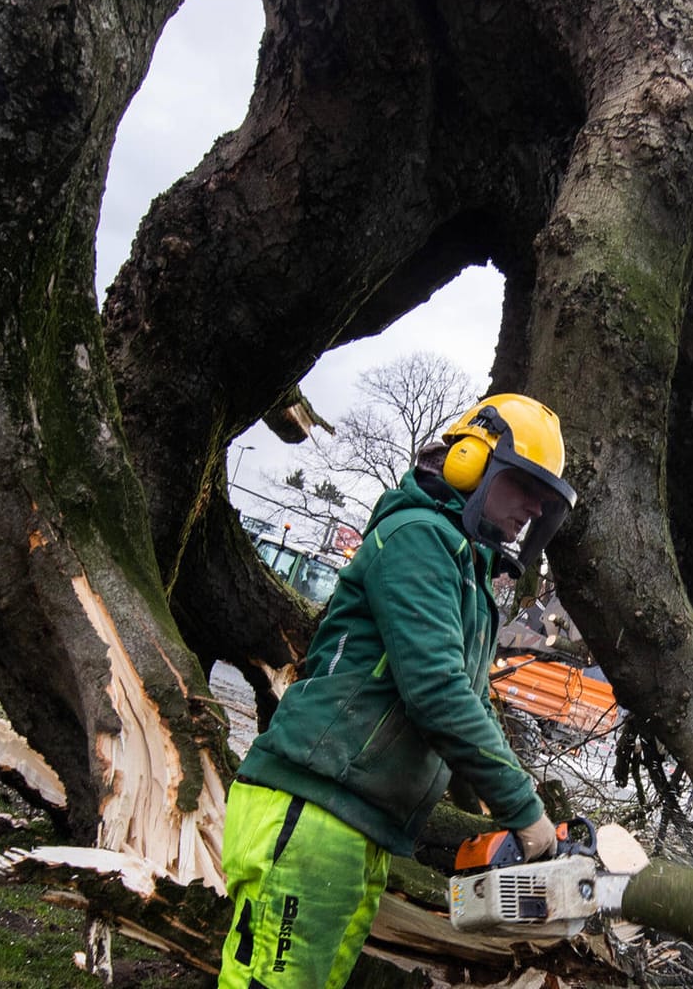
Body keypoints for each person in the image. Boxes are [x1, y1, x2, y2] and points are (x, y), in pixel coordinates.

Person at [217, 393, 577, 989]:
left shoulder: (468, 568)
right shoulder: (417, 538)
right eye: (522, 488)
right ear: (470, 460)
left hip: (362, 824)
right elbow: (436, 692)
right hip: (314, 810)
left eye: (543, 502)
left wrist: (503, 795)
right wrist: (523, 810)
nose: (530, 511)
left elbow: (469, 698)